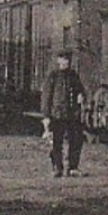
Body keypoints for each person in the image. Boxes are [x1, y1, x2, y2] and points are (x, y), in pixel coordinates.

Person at [40, 49, 87, 178]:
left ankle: (73, 167)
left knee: (76, 141)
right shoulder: (53, 76)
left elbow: (80, 90)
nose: (66, 62)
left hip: (72, 114)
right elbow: (46, 97)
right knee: (57, 142)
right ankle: (57, 167)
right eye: (63, 59)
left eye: (68, 60)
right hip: (57, 115)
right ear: (58, 61)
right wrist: (46, 116)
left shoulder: (73, 75)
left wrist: (81, 97)